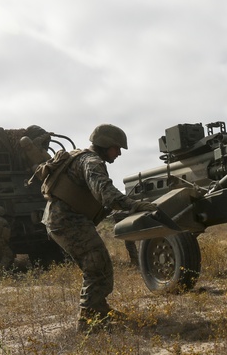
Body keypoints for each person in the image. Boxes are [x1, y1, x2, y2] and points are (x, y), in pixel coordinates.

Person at [38, 123, 158, 333]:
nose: (119, 153)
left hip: (63, 221)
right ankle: (88, 321)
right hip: (68, 221)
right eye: (117, 148)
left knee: (98, 265)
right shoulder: (91, 162)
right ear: (105, 145)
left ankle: (98, 309)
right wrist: (137, 205)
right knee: (96, 265)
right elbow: (107, 195)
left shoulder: (83, 158)